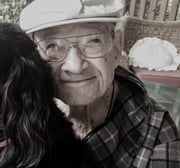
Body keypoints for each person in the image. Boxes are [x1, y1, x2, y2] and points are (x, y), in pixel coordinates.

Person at [19, 0, 180, 167]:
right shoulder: (19, 112)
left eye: (93, 41)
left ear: (117, 47)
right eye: (52, 45)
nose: (75, 67)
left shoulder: (157, 132)